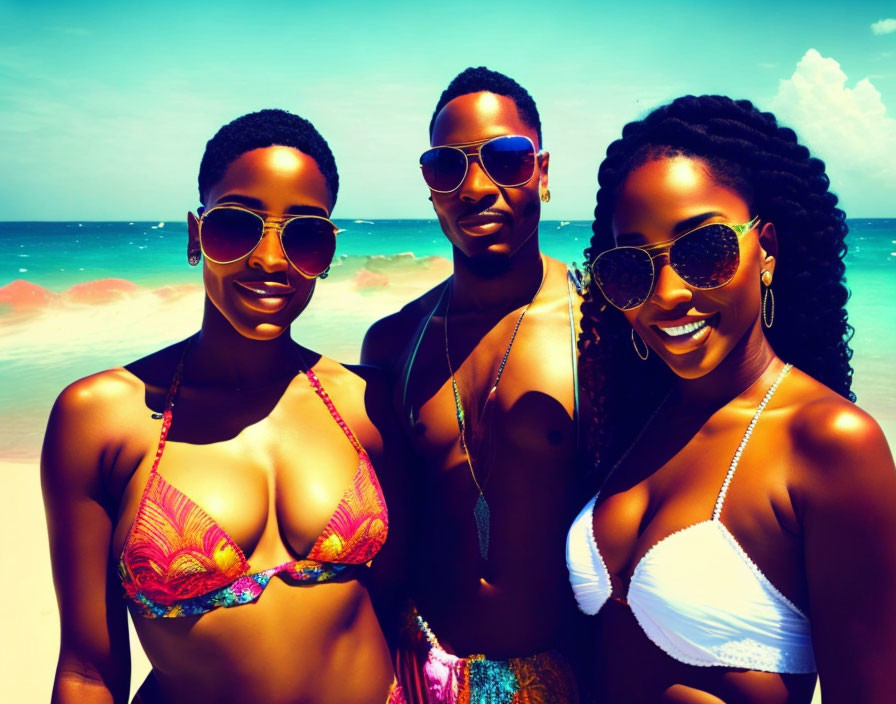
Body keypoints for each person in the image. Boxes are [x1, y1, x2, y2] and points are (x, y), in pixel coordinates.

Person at [42, 109, 407, 704]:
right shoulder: (102, 419)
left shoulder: (366, 402)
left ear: (329, 250)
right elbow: (87, 673)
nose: (268, 260)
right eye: (237, 227)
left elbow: (400, 602)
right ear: (195, 234)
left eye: (305, 235)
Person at [567, 94, 896, 704]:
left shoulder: (829, 443)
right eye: (630, 268)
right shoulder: (642, 419)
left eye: (703, 251)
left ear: (765, 249)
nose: (666, 294)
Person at [362, 67, 583, 703]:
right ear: (431, 190)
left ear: (541, 171)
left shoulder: (598, 327)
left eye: (506, 159)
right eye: (447, 168)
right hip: (416, 666)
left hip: (560, 675)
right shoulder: (396, 343)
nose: (477, 187)